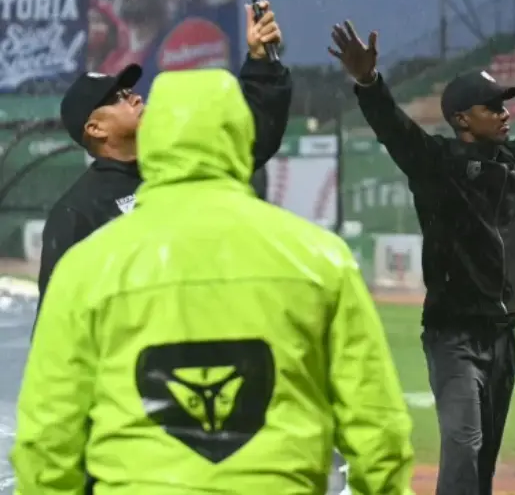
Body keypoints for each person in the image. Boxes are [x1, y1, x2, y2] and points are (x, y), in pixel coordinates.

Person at [13, 68, 415, 495]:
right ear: (240, 129)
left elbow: (49, 430)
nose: (133, 99)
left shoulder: (88, 266)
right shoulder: (321, 259)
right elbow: (376, 425)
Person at [330, 20, 515, 495]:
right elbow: (393, 127)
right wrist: (368, 82)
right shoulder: (435, 164)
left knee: (482, 459)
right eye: (493, 107)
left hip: (503, 337)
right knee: (463, 442)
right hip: (453, 338)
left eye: (504, 104)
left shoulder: (512, 159)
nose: (505, 113)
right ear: (463, 119)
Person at [36, 0, 293, 308]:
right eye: (117, 97)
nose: (133, 96)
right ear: (95, 129)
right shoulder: (76, 213)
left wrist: (261, 62)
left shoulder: (183, 161)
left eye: (129, 90)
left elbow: (255, 134)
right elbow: (59, 317)